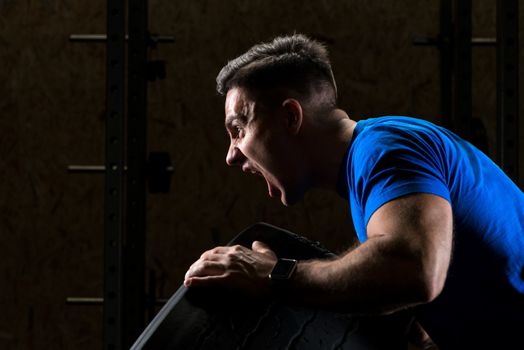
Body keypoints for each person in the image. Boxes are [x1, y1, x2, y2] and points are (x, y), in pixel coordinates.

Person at [184, 34, 524, 349]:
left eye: (239, 129)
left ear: (290, 116)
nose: (231, 155)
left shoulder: (383, 151)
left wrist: (275, 275)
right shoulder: (372, 166)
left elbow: (417, 271)